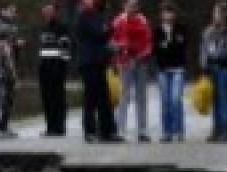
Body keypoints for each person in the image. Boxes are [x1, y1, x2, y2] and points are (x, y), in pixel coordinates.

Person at [74, 0, 121, 142]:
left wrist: (109, 29)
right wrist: (109, 26)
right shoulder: (83, 17)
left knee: (104, 97)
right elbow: (99, 33)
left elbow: (104, 36)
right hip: (88, 62)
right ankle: (89, 131)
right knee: (91, 97)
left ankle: (107, 131)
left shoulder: (96, 15)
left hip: (99, 61)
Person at [200, 1, 227, 143]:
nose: (215, 15)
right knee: (215, 101)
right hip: (211, 68)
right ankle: (216, 130)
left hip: (224, 68)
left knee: (224, 100)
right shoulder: (208, 31)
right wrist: (203, 65)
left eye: (217, 12)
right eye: (214, 12)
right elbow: (204, 49)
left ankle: (226, 131)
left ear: (225, 15)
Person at [111, 0, 153, 142]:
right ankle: (121, 129)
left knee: (141, 96)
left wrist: (144, 53)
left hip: (141, 61)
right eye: (129, 5)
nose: (132, 8)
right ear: (124, 6)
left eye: (135, 5)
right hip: (125, 61)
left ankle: (142, 130)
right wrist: (120, 48)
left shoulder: (143, 20)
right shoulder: (118, 21)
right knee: (125, 95)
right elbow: (112, 41)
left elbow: (148, 40)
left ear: (138, 7)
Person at [153, 2, 189, 142]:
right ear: (161, 14)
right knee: (165, 101)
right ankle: (167, 132)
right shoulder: (157, 31)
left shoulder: (181, 29)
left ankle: (179, 130)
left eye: (170, 12)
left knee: (175, 99)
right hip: (163, 69)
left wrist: (168, 44)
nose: (168, 15)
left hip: (178, 68)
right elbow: (156, 50)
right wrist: (168, 45)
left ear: (175, 14)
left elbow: (181, 46)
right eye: (165, 12)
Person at [37, 4, 72, 137]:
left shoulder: (61, 27)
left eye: (48, 12)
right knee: (46, 98)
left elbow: (66, 47)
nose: (45, 14)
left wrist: (62, 66)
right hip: (44, 67)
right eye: (44, 12)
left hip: (56, 67)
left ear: (54, 13)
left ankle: (59, 126)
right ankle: (50, 126)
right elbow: (42, 47)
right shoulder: (43, 28)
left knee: (58, 98)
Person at [0, 4, 24, 140]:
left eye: (15, 11)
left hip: (11, 68)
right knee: (1, 99)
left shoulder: (12, 26)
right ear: (3, 10)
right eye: (11, 11)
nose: (13, 13)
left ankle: (4, 126)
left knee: (9, 100)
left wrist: (17, 44)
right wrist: (3, 44)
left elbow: (13, 44)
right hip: (1, 69)